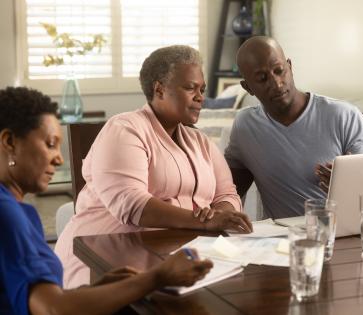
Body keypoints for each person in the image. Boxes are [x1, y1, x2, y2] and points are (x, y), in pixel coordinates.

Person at [0, 86, 213, 315]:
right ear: (10, 141)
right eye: (50, 144)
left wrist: (97, 289)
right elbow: (53, 309)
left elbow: (28, 298)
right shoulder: (7, 214)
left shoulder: (13, 209)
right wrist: (158, 276)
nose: (59, 158)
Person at [55, 45, 252, 289]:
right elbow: (132, 204)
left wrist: (222, 212)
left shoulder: (199, 141)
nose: (200, 97)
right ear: (159, 89)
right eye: (190, 88)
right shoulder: (125, 128)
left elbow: (227, 194)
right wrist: (203, 222)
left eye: (202, 89)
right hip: (103, 260)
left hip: (175, 258)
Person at [225, 36, 363, 219]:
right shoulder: (246, 126)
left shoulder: (344, 115)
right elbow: (227, 191)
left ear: (289, 66)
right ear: (247, 87)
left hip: (341, 234)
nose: (276, 83)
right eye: (262, 78)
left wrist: (347, 185)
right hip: (280, 241)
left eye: (279, 70)